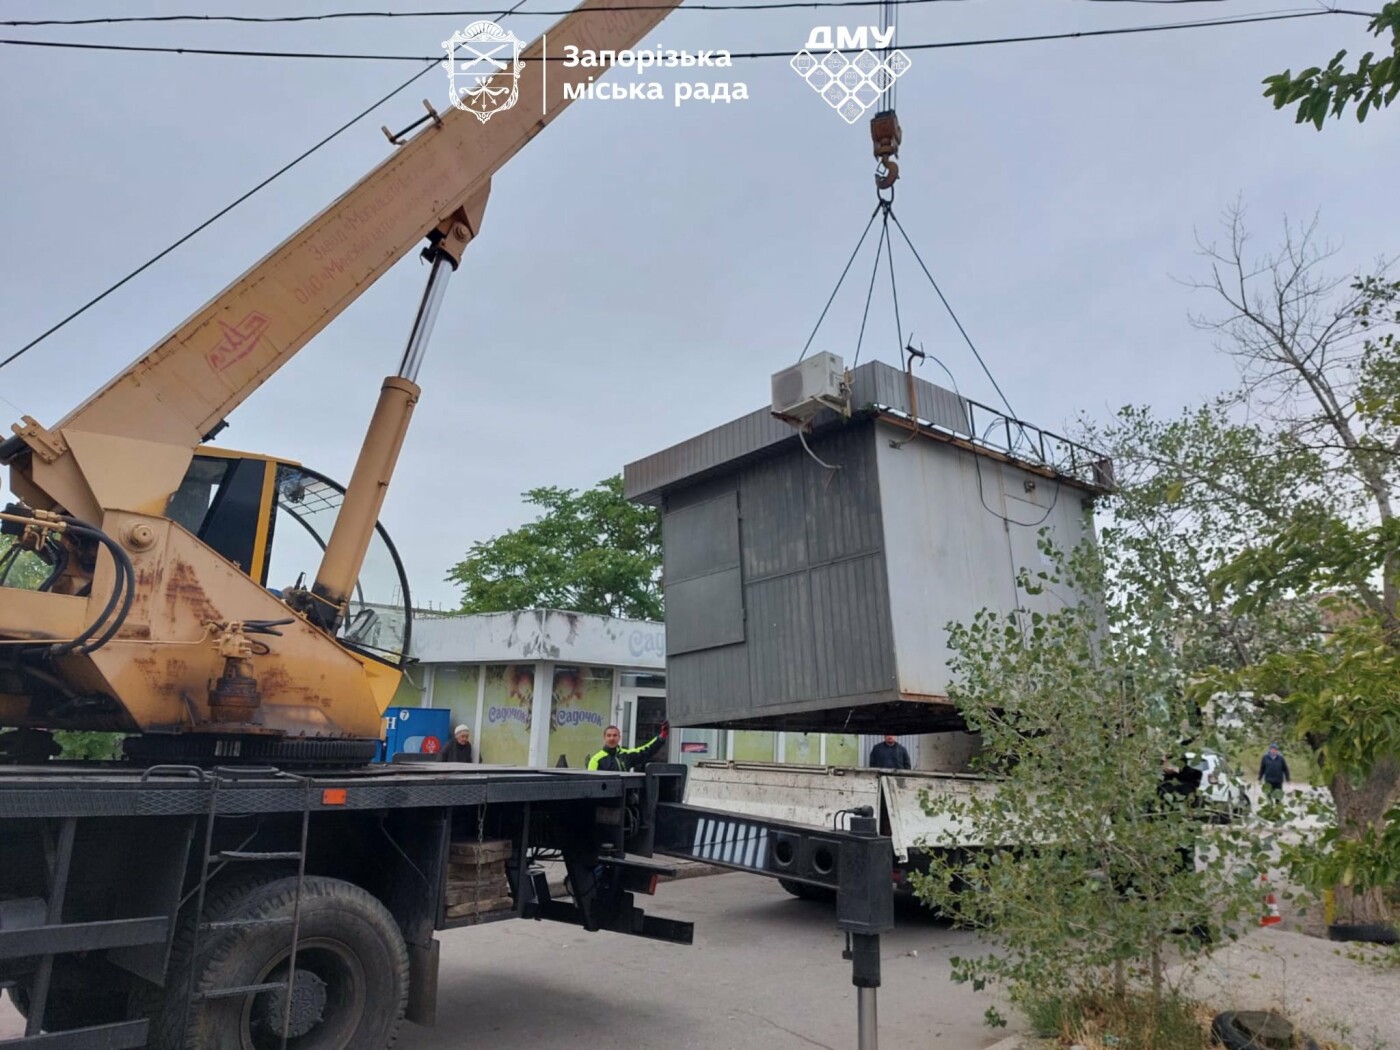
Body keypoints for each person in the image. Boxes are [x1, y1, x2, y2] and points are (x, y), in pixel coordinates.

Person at [587, 722, 668, 772]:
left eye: (615, 735)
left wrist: (662, 736)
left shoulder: (626, 755)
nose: (612, 738)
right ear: (604, 738)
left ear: (619, 737)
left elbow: (646, 750)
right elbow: (590, 784)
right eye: (609, 735)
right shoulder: (596, 760)